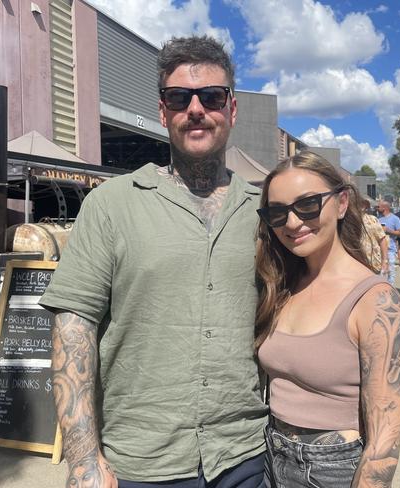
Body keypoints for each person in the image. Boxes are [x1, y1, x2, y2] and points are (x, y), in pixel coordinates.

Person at [39, 35, 268, 487]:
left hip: (245, 455)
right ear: (163, 112)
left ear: (232, 109)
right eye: (179, 98)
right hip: (142, 460)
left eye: (212, 97)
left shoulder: (264, 210)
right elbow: (74, 327)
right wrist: (83, 458)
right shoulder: (111, 204)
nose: (196, 108)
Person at [255, 151, 400, 487]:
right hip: (269, 454)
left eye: (308, 204)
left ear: (342, 203)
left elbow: (384, 443)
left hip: (332, 470)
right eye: (278, 212)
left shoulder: (376, 301)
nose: (293, 222)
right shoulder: (282, 285)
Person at [378, 201, 400, 285]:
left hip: (390, 250)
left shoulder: (395, 219)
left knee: (391, 273)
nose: (377, 208)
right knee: (381, 272)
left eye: (379, 207)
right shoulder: (378, 219)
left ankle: (390, 292)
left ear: (385, 208)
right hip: (379, 251)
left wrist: (388, 230)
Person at [360, 197, 388, 274]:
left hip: (373, 264)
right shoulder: (348, 222)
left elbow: (382, 240)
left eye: (361, 204)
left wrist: (384, 261)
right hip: (355, 266)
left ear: (365, 206)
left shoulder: (372, 220)